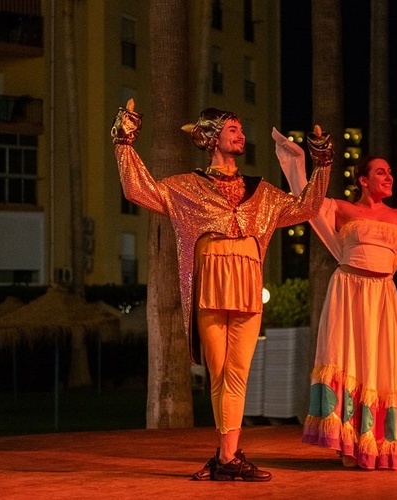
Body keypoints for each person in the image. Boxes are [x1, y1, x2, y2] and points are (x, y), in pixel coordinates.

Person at [112, 100, 332, 481]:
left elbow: (307, 207)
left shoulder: (261, 192)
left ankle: (226, 457)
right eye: (233, 129)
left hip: (247, 282)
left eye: (241, 129)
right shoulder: (187, 187)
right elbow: (137, 190)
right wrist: (124, 140)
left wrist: (323, 163)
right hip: (210, 282)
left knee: (238, 373)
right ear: (213, 138)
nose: (241, 135)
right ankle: (228, 457)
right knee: (219, 373)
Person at [274, 125, 397, 470]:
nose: (389, 176)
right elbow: (305, 198)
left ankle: (377, 441)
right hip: (349, 290)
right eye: (381, 171)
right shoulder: (341, 208)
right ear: (363, 180)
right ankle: (348, 443)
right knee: (349, 357)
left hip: (382, 295)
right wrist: (307, 160)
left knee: (380, 363)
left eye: (390, 172)